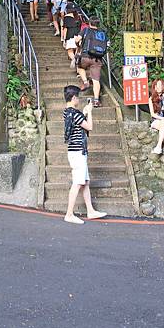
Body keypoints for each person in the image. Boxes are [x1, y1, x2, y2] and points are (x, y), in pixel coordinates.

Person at [63, 85, 107, 224]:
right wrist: (89, 112)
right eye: (78, 97)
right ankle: (69, 214)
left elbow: (79, 125)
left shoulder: (68, 112)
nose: (79, 100)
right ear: (74, 97)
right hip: (77, 153)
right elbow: (89, 127)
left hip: (76, 151)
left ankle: (90, 211)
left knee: (85, 182)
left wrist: (84, 113)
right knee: (77, 183)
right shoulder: (75, 113)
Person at [76, 17, 108, 108]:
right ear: (98, 24)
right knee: (96, 80)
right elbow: (107, 45)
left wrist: (79, 45)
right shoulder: (103, 33)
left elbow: (77, 40)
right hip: (97, 59)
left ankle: (85, 82)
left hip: (85, 56)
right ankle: (96, 100)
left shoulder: (85, 30)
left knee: (80, 67)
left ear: (89, 23)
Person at [62, 1, 81, 69]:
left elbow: (65, 29)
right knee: (77, 50)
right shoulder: (78, 17)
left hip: (70, 35)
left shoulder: (66, 17)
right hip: (78, 35)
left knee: (70, 51)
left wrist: (64, 39)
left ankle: (73, 59)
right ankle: (77, 67)